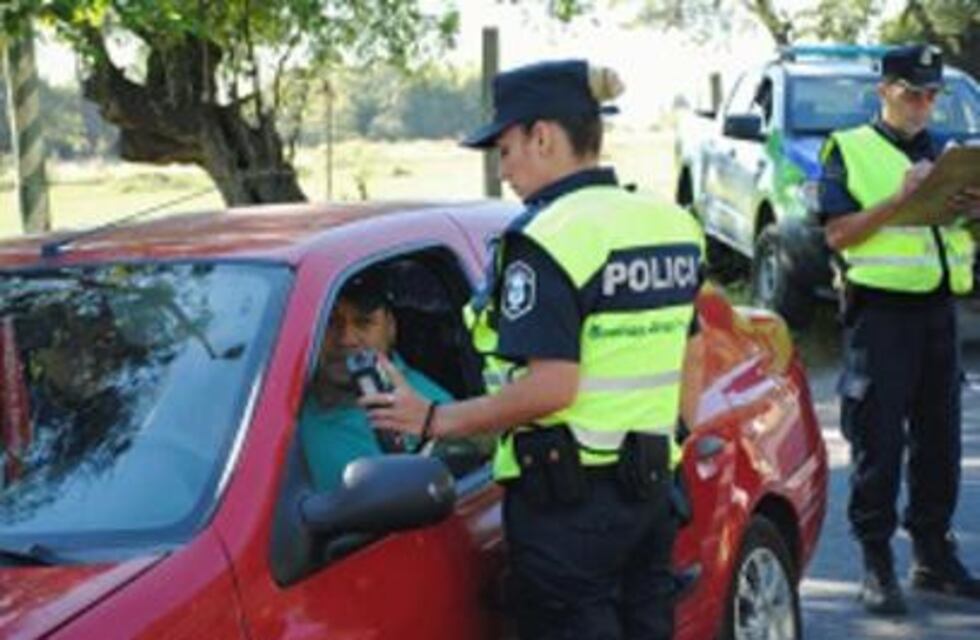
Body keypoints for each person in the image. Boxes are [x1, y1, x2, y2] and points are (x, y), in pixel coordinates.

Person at [360, 59, 704, 639]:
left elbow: (552, 386)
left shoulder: (548, 238)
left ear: (541, 136)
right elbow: (691, 352)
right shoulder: (667, 222)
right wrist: (672, 446)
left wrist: (437, 418)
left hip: (569, 510)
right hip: (650, 495)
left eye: (505, 148)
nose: (505, 169)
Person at [818, 43, 980, 615]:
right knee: (879, 444)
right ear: (884, 89)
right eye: (913, 93)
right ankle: (877, 562)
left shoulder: (948, 150)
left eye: (933, 95)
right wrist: (898, 198)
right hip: (880, 318)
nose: (924, 105)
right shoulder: (848, 149)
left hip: (938, 311)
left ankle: (933, 555)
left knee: (939, 442)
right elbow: (837, 235)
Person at [299, 270, 452, 492]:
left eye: (364, 323)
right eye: (331, 322)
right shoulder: (273, 390)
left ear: (391, 328)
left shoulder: (425, 409)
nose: (346, 339)